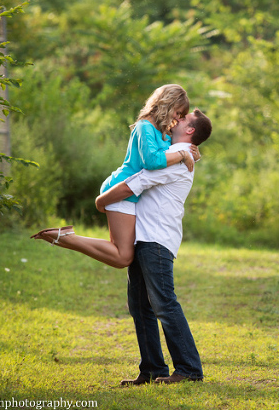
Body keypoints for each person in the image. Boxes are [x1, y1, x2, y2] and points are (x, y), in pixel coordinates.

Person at [95, 108, 212, 385]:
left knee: (164, 304)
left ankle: (189, 370)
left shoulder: (178, 160)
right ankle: (151, 369)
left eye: (182, 119)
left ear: (190, 130)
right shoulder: (174, 152)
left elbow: (137, 183)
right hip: (143, 237)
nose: (175, 119)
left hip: (156, 240)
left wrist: (101, 201)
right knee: (139, 305)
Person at [31, 84, 200, 268]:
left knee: (124, 254)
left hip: (132, 193)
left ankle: (65, 237)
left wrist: (191, 153)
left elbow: (171, 152)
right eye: (178, 112)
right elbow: (152, 161)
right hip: (122, 189)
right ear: (168, 103)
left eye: (182, 116)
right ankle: (67, 238)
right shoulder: (145, 127)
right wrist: (183, 155)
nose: (178, 118)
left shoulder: (160, 132)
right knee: (123, 257)